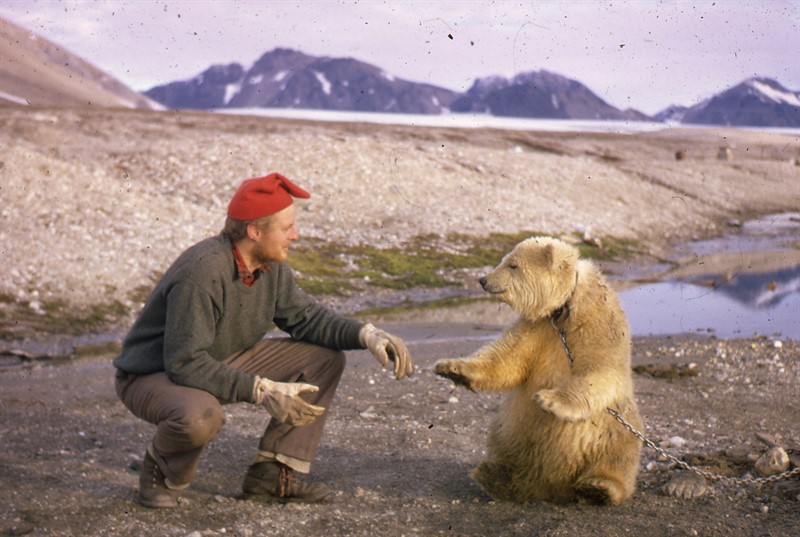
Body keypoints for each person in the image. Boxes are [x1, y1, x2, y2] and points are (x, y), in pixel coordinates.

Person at [113, 172, 414, 508]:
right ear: (255, 232)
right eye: (287, 229)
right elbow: (184, 363)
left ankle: (272, 476)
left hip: (214, 360)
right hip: (153, 375)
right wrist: (261, 389)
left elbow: (306, 318)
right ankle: (160, 473)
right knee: (201, 415)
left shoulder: (270, 265)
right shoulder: (202, 272)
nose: (296, 236)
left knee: (324, 360)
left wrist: (365, 334)